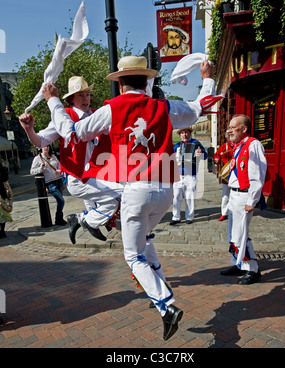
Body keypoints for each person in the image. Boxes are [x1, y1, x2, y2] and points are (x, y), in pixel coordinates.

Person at [42, 55, 219, 341]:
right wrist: (207, 78)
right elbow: (199, 108)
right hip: (166, 189)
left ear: (121, 84)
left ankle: (166, 305)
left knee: (133, 255)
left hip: (136, 189)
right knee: (146, 240)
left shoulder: (112, 109)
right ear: (145, 81)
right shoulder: (164, 107)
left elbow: (73, 133)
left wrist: (53, 102)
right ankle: (155, 288)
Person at [19, 76, 120, 243]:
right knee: (121, 195)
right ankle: (86, 221)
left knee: (116, 200)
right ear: (71, 99)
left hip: (98, 176)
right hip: (78, 178)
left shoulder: (97, 114)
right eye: (80, 95)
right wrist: (29, 130)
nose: (85, 99)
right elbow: (41, 141)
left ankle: (86, 221)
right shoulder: (64, 117)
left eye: (87, 94)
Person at [220, 114, 267, 285]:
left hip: (244, 194)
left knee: (241, 234)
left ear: (244, 128)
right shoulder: (239, 146)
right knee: (233, 233)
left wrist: (252, 200)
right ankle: (239, 263)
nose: (229, 130)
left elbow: (257, 175)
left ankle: (253, 269)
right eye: (229, 127)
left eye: (233, 127)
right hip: (234, 194)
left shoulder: (253, 145)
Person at [170, 127, 207, 225]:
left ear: (189, 133)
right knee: (176, 197)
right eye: (182, 133)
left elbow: (206, 156)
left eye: (186, 132)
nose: (184, 135)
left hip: (191, 174)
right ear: (180, 135)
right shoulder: (177, 145)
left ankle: (189, 217)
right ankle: (176, 217)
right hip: (178, 175)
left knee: (190, 197)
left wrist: (201, 153)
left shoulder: (196, 143)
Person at [30, 145, 67, 226]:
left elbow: (59, 166)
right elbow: (32, 171)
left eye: (47, 146)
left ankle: (59, 219)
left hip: (58, 181)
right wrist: (41, 168)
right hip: (50, 183)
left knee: (59, 202)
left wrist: (59, 171)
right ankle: (58, 218)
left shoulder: (53, 156)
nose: (46, 148)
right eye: (44, 146)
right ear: (41, 148)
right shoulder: (38, 158)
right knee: (61, 200)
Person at [213, 133, 234, 221]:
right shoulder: (224, 147)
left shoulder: (240, 145)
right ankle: (224, 213)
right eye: (230, 135)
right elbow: (216, 156)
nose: (231, 136)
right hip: (227, 173)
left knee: (237, 194)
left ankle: (235, 212)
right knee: (225, 194)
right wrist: (216, 160)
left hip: (238, 173)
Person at [0, 160, 13, 238]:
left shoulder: (3, 169)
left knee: (3, 213)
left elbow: (5, 179)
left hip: (1, 193)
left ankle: (2, 231)